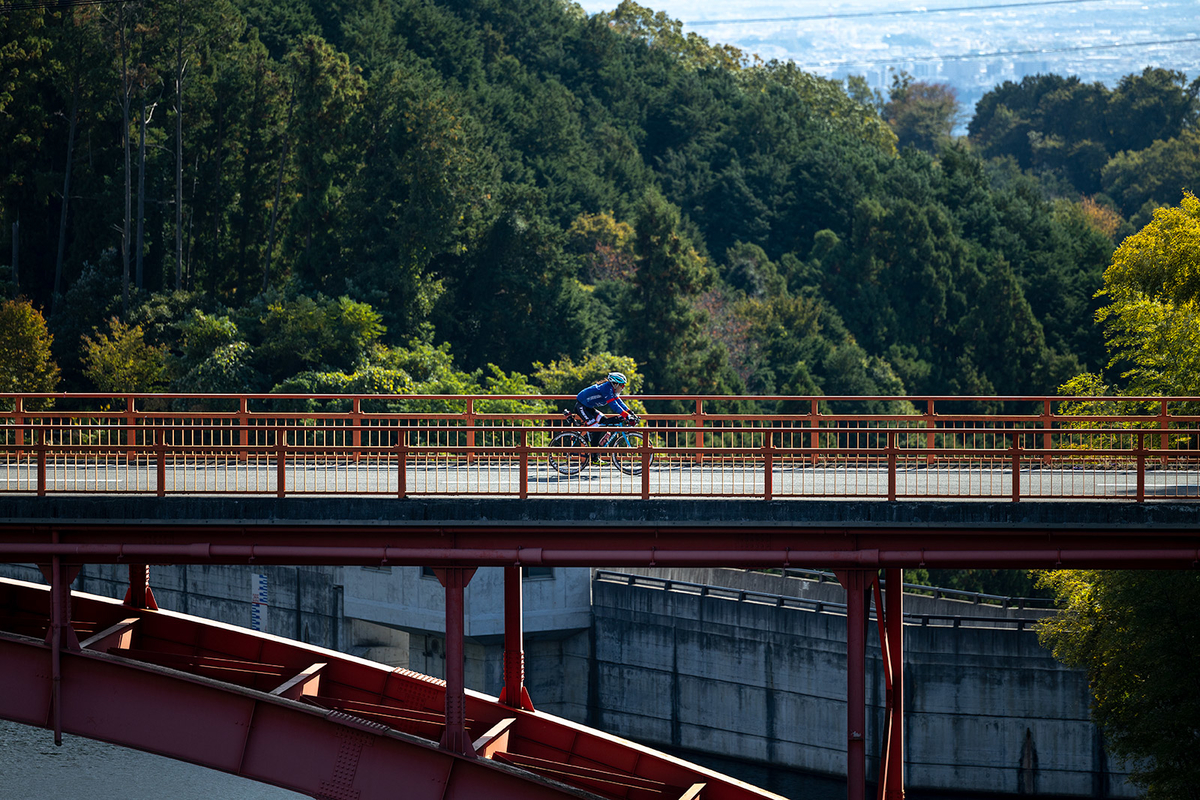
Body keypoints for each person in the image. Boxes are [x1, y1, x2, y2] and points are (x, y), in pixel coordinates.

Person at [575, 372, 639, 454]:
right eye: (622, 385)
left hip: (588, 408)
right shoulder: (606, 389)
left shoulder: (612, 389)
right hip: (581, 407)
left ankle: (589, 441)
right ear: (615, 384)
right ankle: (594, 456)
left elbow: (619, 402)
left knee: (604, 421)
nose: (623, 388)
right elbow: (614, 405)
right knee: (597, 428)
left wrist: (630, 412)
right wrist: (627, 416)